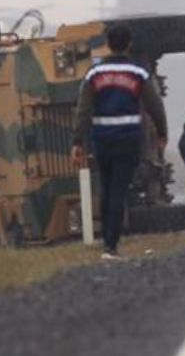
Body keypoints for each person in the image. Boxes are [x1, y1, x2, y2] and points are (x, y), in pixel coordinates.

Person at [71, 24, 168, 260]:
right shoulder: (138, 73)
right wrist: (162, 132)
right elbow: (155, 105)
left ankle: (107, 239)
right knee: (119, 189)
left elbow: (83, 109)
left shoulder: (94, 74)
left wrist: (77, 141)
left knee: (106, 187)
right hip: (128, 137)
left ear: (108, 44)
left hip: (102, 139)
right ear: (129, 44)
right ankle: (111, 245)